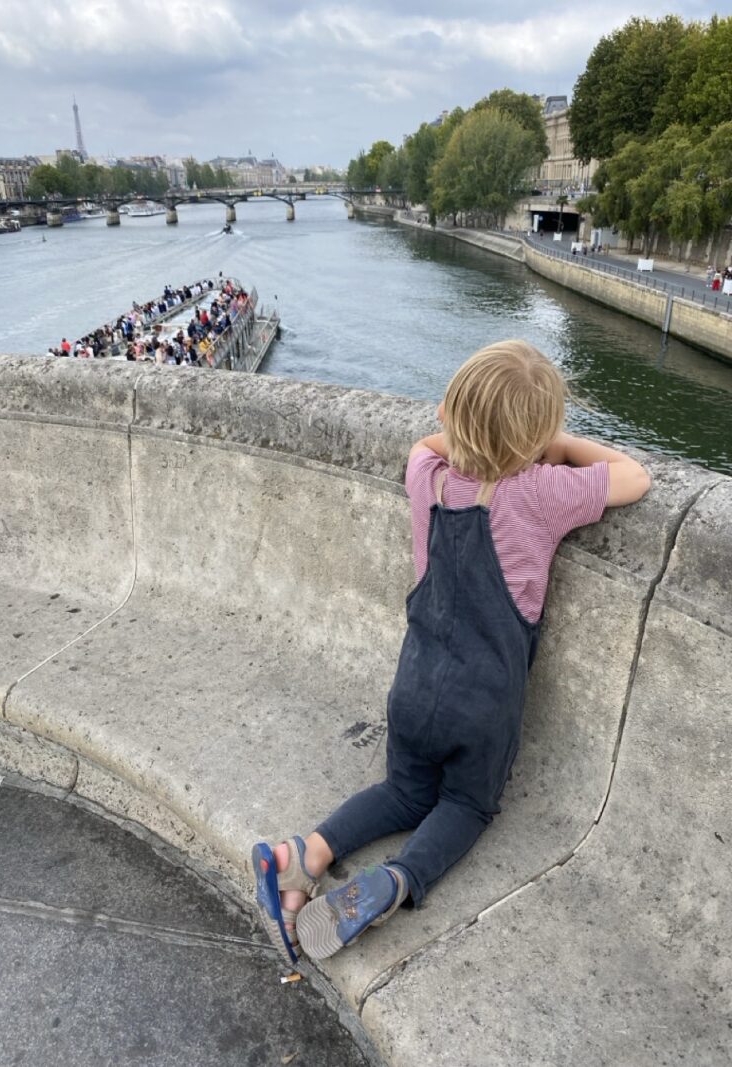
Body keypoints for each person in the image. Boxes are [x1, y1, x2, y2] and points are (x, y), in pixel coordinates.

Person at [252, 339, 651, 966]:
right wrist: (560, 445)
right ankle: (400, 879)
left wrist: (459, 431)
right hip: (484, 700)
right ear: (533, 442)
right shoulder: (539, 491)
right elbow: (636, 477)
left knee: (403, 792)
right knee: (466, 805)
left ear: (450, 415)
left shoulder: (426, 476)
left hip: (414, 682)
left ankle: (305, 855)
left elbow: (429, 443)